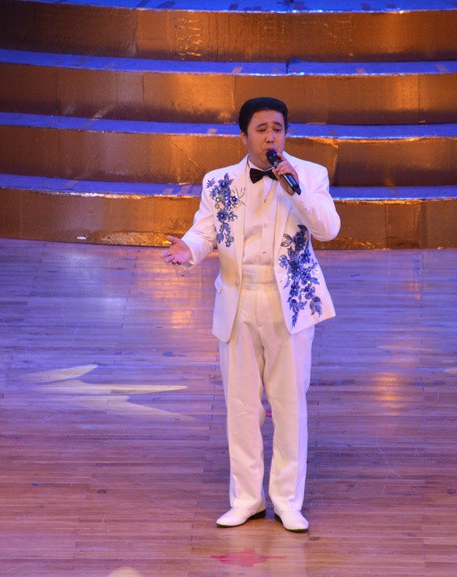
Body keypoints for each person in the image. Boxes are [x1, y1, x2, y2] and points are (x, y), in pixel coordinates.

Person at [160, 97, 340, 532]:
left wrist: (295, 190)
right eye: (261, 129)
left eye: (277, 128)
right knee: (241, 406)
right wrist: (189, 250)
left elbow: (328, 229)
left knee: (289, 404)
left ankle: (288, 501)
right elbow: (205, 231)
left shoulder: (309, 175)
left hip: (288, 304)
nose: (270, 137)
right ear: (244, 136)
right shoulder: (218, 180)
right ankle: (246, 499)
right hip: (238, 301)